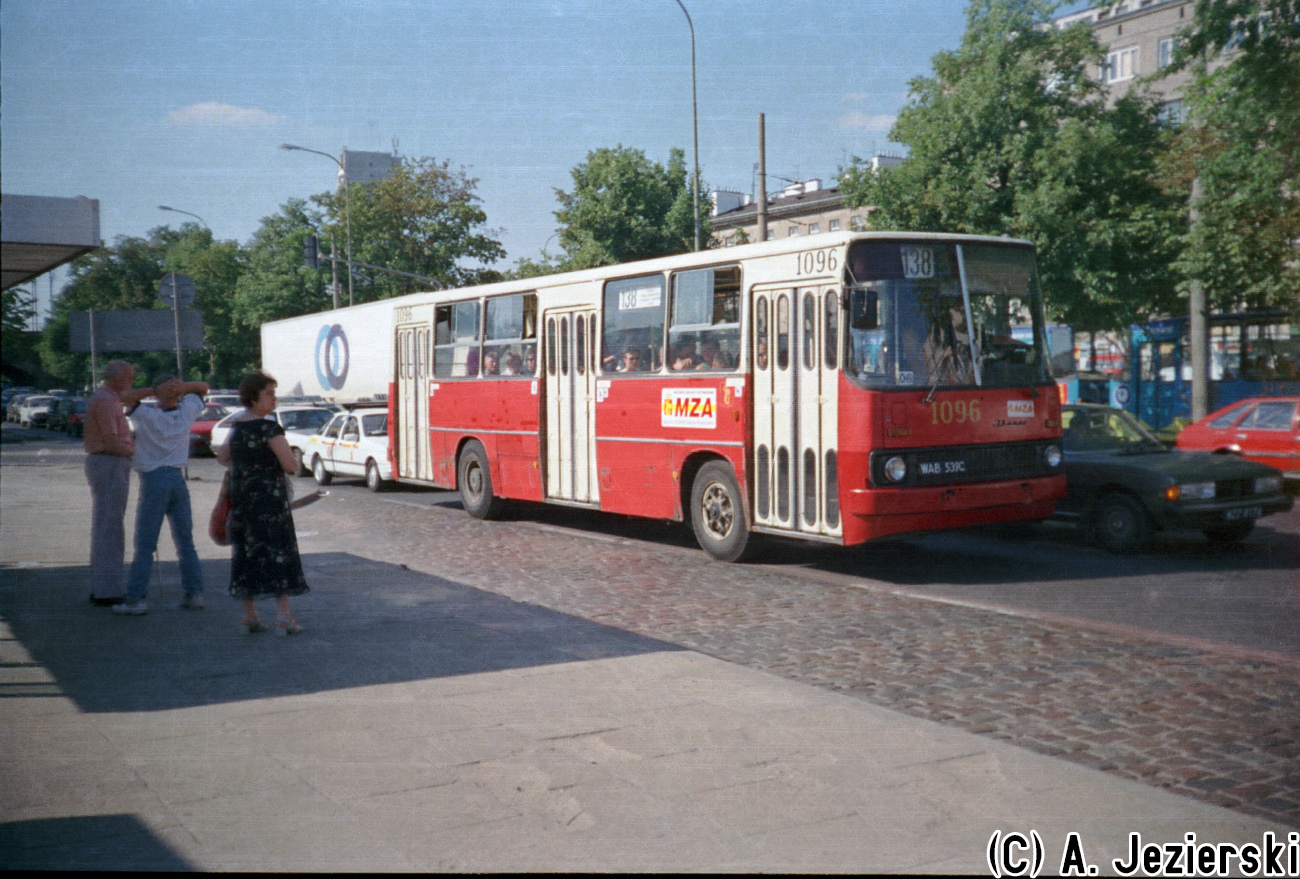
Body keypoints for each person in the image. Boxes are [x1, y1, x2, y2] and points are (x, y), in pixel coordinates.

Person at [217, 371, 308, 634]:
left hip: (243, 500)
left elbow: (222, 458)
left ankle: (250, 615)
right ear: (253, 397)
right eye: (269, 393)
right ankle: (284, 617)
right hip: (270, 502)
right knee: (278, 553)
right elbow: (290, 464)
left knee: (246, 553)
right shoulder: (269, 428)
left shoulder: (237, 426)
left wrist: (246, 464)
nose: (274, 398)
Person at [113, 376, 211, 615]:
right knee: (185, 541)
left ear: (156, 395)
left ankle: (136, 599)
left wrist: (157, 389)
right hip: (178, 479)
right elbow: (204, 388)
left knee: (145, 545)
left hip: (153, 480)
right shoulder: (188, 410)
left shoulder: (146, 415)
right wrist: (181, 387)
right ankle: (194, 593)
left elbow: (124, 397)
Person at [83, 360, 151, 606]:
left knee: (108, 526)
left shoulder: (111, 398)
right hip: (109, 462)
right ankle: (107, 590)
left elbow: (134, 396)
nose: (132, 383)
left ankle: (105, 586)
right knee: (109, 527)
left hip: (110, 463)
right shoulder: (105, 401)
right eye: (129, 378)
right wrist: (137, 450)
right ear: (115, 380)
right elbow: (111, 442)